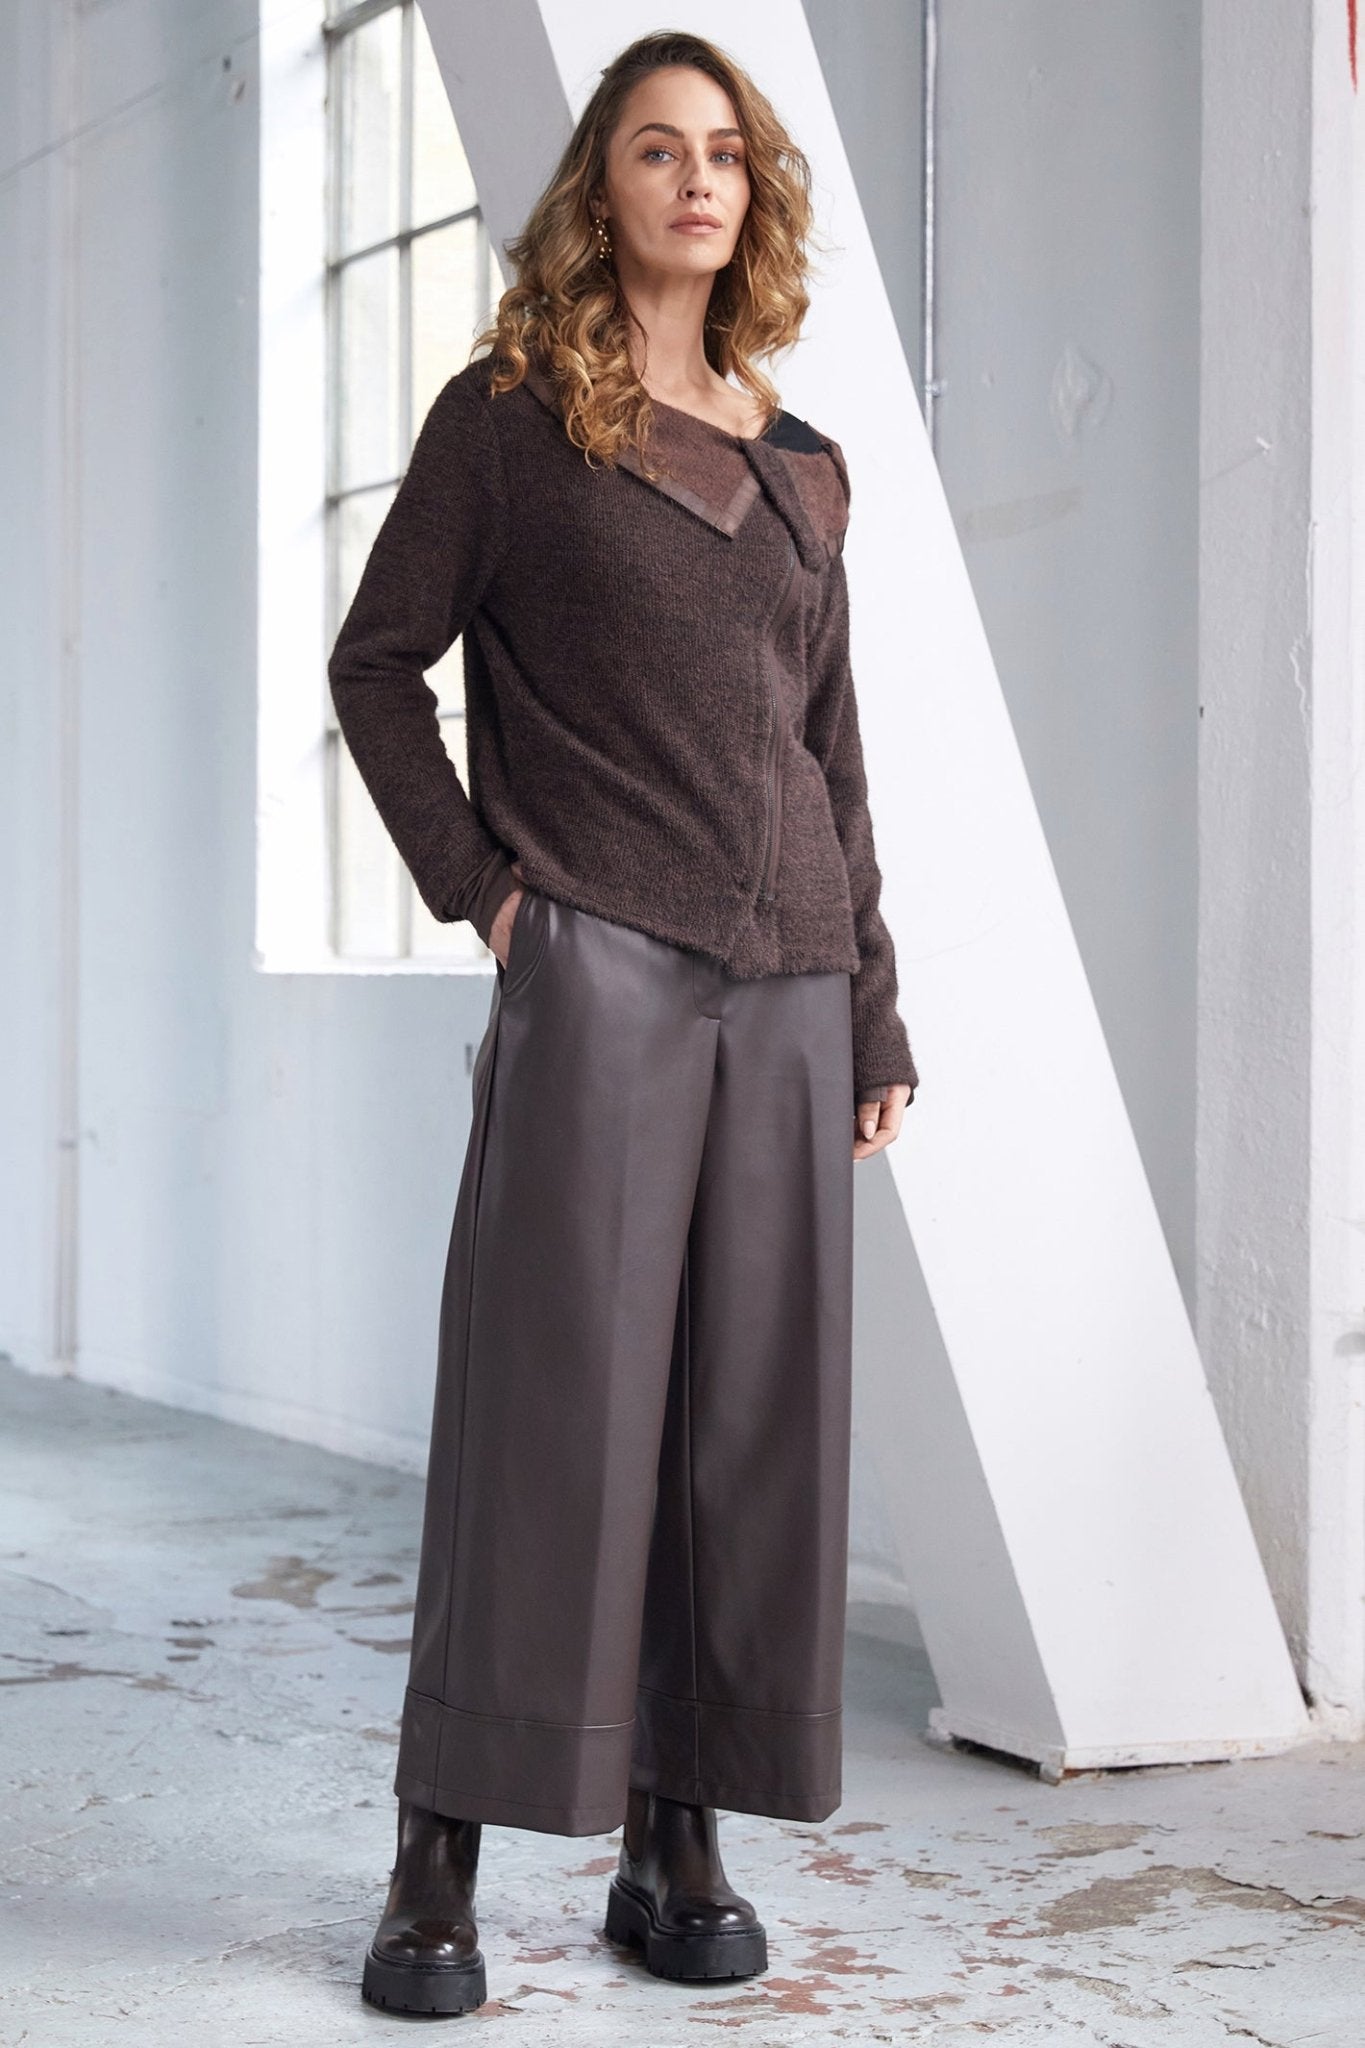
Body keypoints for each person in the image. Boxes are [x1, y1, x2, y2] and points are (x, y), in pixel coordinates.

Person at [327, 28, 918, 2018]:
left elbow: (828, 761)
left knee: (744, 1430)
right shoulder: (510, 422)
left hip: (787, 976)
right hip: (595, 962)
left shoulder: (799, 465)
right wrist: (488, 893)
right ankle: (439, 1849)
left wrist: (873, 1011)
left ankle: (682, 1832)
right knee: (547, 1415)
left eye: (723, 157)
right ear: (602, 188)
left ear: (751, 201)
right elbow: (377, 666)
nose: (692, 181)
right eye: (654, 151)